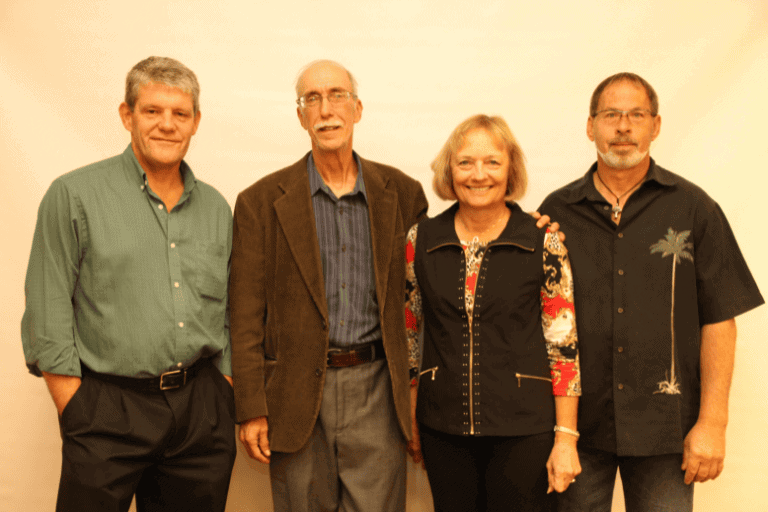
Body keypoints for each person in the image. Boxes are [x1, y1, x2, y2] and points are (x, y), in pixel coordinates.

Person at [539, 72, 764, 512]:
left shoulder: (694, 208)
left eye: (636, 115)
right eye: (611, 115)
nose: (623, 127)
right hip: (577, 429)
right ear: (590, 127)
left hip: (667, 428)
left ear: (655, 126)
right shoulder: (557, 212)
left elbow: (719, 319)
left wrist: (713, 423)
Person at [21, 56, 236, 512]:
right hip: (106, 407)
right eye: (152, 110)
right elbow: (47, 304)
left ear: (196, 122)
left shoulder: (216, 207)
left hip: (200, 411)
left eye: (180, 113)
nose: (167, 124)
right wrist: (75, 408)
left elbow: (230, 307)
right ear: (127, 115)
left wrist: (226, 387)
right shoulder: (74, 194)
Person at [228, 59, 428, 511]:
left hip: (378, 391)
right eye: (311, 99)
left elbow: (423, 302)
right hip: (296, 396)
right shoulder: (260, 202)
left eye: (337, 95)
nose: (325, 109)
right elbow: (243, 314)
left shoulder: (404, 193)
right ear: (300, 116)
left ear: (357, 108)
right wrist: (251, 406)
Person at [405, 114, 582, 512]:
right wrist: (413, 416)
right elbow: (411, 336)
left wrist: (566, 436)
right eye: (465, 162)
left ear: (510, 169)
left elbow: (563, 345)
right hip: (441, 429)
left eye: (492, 162)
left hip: (525, 430)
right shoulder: (422, 238)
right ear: (449, 171)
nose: (478, 174)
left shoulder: (544, 239)